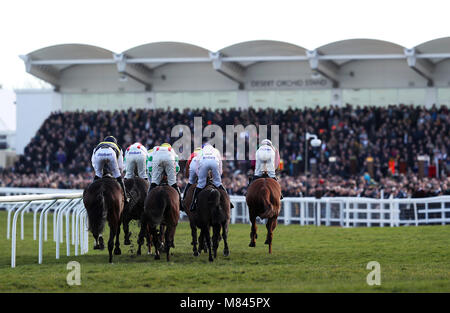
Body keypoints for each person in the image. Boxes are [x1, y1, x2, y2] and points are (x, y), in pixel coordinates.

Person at [190, 143, 229, 212]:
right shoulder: (216, 150)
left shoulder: (201, 151)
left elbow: (197, 163)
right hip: (214, 163)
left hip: (204, 163)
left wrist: (199, 175)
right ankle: (228, 201)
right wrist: (219, 174)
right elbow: (220, 162)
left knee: (200, 185)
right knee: (218, 184)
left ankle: (193, 204)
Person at [91, 135, 129, 204]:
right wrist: (118, 173)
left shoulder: (97, 146)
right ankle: (125, 198)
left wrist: (99, 171)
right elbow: (120, 166)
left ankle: (92, 194)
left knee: (98, 174)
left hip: (99, 153)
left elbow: (93, 163)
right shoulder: (118, 147)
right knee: (117, 175)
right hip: (111, 153)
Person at [148, 143, 184, 210]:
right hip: (170, 158)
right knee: (173, 184)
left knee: (153, 183)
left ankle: (147, 203)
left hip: (157, 158)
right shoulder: (172, 151)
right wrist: (171, 177)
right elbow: (177, 168)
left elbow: (150, 168)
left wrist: (156, 178)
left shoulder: (155, 151)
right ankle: (181, 205)